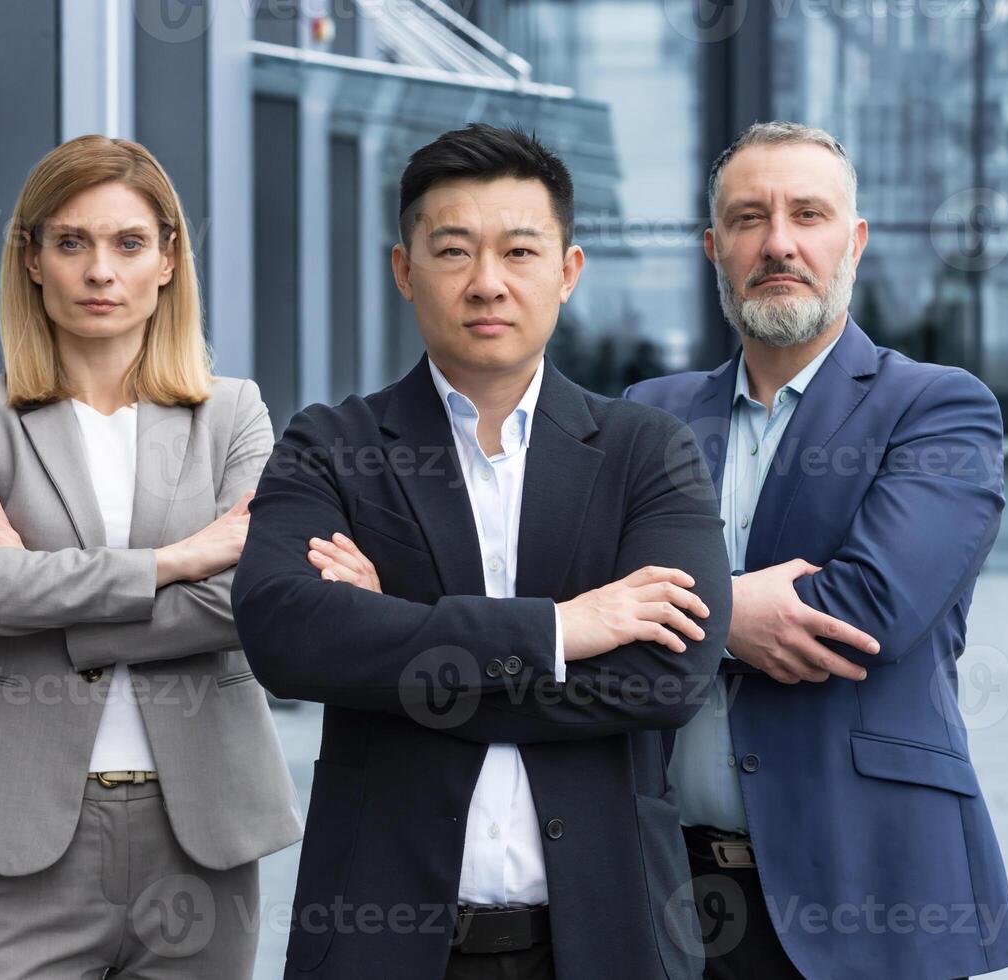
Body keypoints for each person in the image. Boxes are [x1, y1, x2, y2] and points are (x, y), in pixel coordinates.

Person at [231, 123, 733, 980]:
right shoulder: (333, 444)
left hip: (606, 939)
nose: (487, 283)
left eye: (520, 252)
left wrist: (394, 633)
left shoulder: (648, 450)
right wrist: (560, 632)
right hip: (380, 939)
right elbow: (286, 634)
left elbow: (668, 676)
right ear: (404, 269)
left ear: (567, 272)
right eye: (454, 250)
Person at [625, 121, 1008, 980]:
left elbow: (865, 610)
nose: (778, 242)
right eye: (747, 219)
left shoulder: (939, 408)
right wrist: (735, 613)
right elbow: (576, 586)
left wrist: (680, 609)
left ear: (855, 239)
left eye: (808, 214)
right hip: (665, 892)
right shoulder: (648, 416)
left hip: (868, 888)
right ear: (712, 247)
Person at [0, 134, 302, 979]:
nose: (99, 272)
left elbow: (257, 597)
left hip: (202, 828)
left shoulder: (235, 414)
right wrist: (176, 560)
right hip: (21, 836)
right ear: (33, 260)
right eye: (71, 242)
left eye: (127, 244)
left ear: (167, 260)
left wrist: (43, 590)